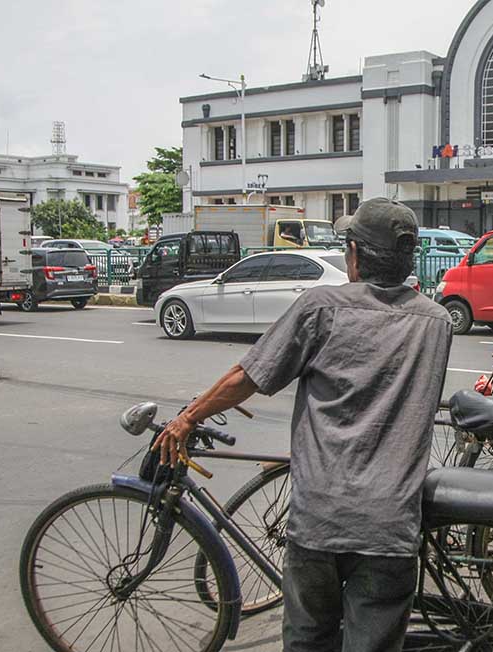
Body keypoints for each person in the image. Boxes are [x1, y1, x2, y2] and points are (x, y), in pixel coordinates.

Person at [153, 197, 453, 652]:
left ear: (353, 254)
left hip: (321, 519)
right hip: (391, 525)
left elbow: (248, 376)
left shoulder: (321, 307)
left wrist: (188, 417)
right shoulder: (436, 321)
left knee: (308, 640)